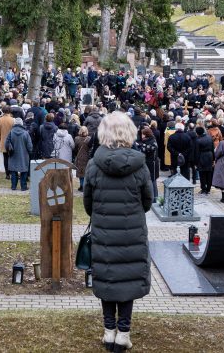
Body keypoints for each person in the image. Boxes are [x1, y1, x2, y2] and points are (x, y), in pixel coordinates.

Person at [83, 112, 153, 351]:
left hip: (104, 233)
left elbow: (88, 204)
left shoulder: (94, 165)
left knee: (108, 280)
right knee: (127, 283)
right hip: (131, 233)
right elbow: (147, 202)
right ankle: (123, 332)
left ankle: (108, 331)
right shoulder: (140, 166)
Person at [5, 117, 33, 191]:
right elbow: (29, 146)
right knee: (24, 170)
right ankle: (23, 187)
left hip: (13, 154)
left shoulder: (11, 132)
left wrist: (8, 150)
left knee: (13, 170)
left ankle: (13, 186)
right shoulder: (25, 133)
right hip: (24, 154)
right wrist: (30, 152)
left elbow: (6, 144)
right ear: (21, 123)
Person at [194, 126, 215, 194]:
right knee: (209, 173)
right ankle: (208, 189)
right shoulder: (209, 138)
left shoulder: (198, 140)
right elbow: (213, 149)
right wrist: (213, 159)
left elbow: (196, 152)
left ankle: (203, 188)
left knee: (202, 173)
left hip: (202, 156)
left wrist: (196, 163)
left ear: (197, 133)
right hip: (210, 156)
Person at [0, 107, 14, 179]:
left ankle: (7, 174)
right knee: (12, 158)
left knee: (5, 158)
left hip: (3, 141)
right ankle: (12, 172)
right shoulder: (12, 120)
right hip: (12, 142)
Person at [74, 126, 91, 192]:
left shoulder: (77, 138)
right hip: (87, 156)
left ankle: (81, 185)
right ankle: (85, 186)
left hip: (80, 156)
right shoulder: (89, 138)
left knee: (80, 172)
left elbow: (75, 148)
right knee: (86, 172)